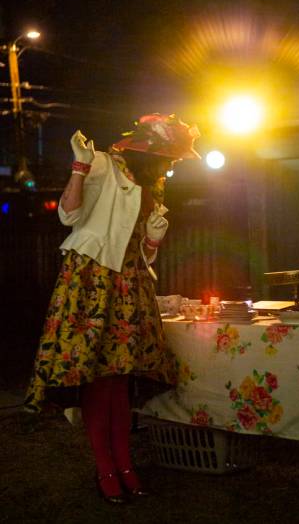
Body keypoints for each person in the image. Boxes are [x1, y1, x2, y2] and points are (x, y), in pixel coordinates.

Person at [24, 113, 200, 504]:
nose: (172, 164)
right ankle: (106, 467)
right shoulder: (103, 163)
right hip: (91, 278)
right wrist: (79, 166)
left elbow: (138, 248)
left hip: (128, 281)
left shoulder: (152, 183)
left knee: (118, 377)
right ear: (152, 150)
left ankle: (124, 464)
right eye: (170, 156)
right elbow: (68, 214)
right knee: (96, 375)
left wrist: (153, 242)